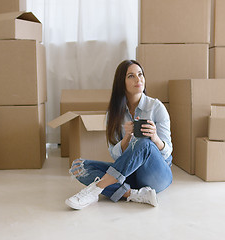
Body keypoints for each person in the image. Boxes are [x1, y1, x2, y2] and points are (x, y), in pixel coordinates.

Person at [65, 60, 173, 210]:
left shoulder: (156, 107)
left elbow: (167, 153)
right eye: (131, 76)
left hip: (157, 175)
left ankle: (96, 189)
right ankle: (132, 194)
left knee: (143, 143)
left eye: (140, 74)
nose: (138, 79)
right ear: (121, 83)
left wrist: (154, 137)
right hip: (129, 173)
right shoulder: (114, 114)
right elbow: (115, 156)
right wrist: (127, 138)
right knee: (79, 167)